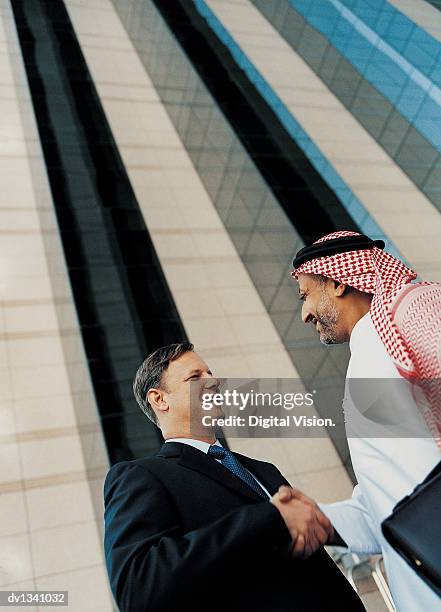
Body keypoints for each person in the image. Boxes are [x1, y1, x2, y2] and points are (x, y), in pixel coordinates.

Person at [104, 342, 364, 612]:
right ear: (160, 399)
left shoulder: (264, 470)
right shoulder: (141, 476)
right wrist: (269, 519)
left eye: (210, 373)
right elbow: (138, 586)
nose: (214, 381)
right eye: (195, 377)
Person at [284, 230, 441, 612]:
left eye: (305, 296)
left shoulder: (414, 306)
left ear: (338, 282)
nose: (304, 314)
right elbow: (382, 506)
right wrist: (304, 520)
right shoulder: (365, 357)